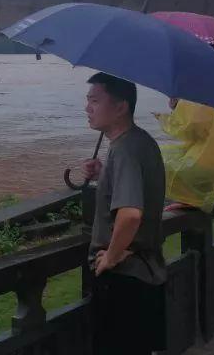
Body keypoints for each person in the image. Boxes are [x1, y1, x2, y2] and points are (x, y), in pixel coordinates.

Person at [81, 72, 167, 355]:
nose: (87, 107)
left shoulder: (125, 149)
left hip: (125, 280)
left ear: (120, 108)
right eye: (87, 100)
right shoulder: (141, 141)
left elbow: (130, 214)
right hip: (146, 274)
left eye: (95, 100)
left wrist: (112, 256)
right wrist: (104, 175)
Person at [155, 99, 214, 212]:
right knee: (171, 157)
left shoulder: (199, 102)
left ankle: (190, 202)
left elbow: (186, 130)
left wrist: (169, 114)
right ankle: (195, 203)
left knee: (160, 160)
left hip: (201, 161)